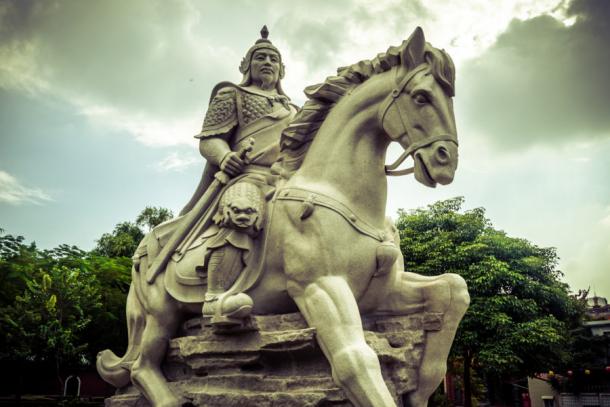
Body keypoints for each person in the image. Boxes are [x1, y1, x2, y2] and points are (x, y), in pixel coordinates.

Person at [178, 26, 297, 323]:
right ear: (247, 65)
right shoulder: (234, 94)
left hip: (289, 178)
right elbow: (210, 139)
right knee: (241, 210)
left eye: (273, 58)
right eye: (261, 58)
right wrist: (225, 156)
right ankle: (216, 298)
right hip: (250, 176)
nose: (268, 62)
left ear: (282, 69)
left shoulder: (296, 110)